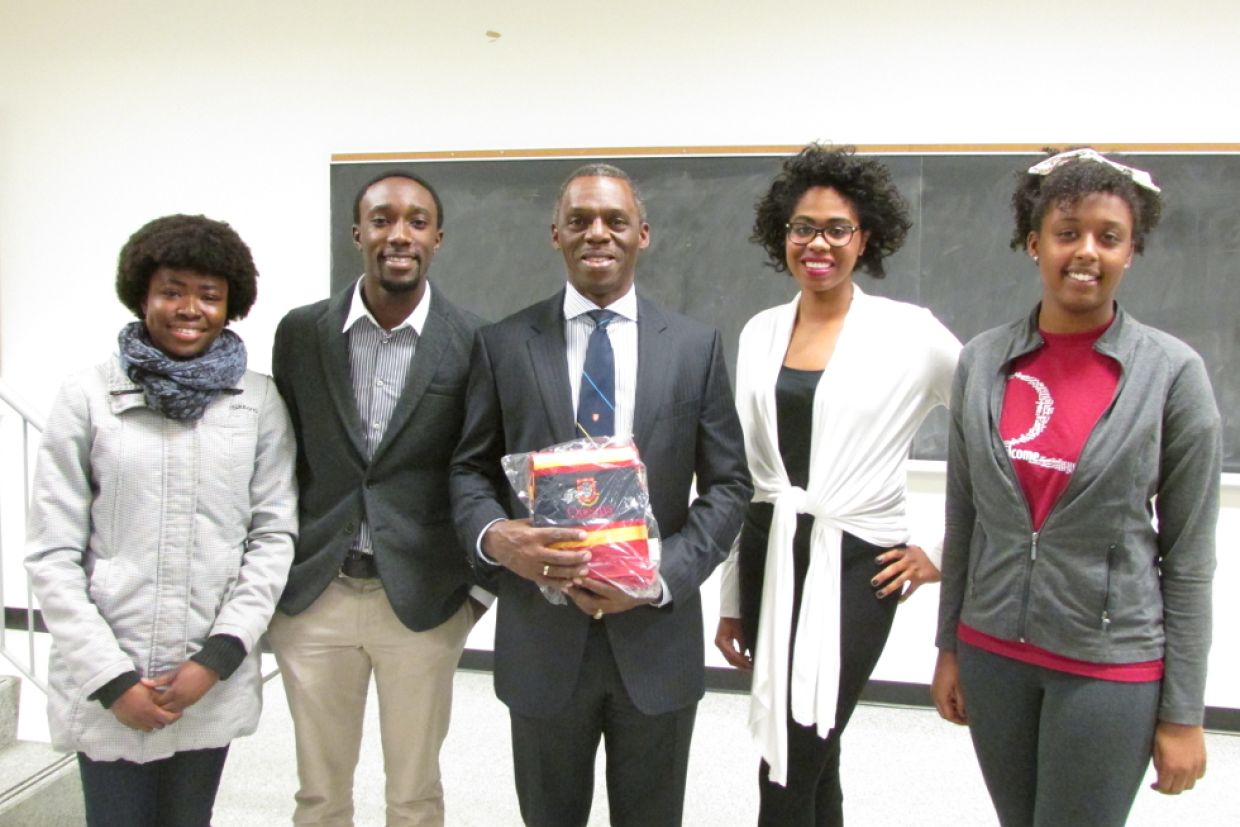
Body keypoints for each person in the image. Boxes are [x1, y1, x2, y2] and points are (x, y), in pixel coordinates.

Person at [450, 163, 751, 827]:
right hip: (541, 638)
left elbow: (729, 484)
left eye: (615, 220)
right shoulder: (502, 345)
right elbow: (468, 471)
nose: (598, 233)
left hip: (656, 639)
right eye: (580, 219)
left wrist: (661, 575)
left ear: (643, 234)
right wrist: (500, 538)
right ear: (554, 233)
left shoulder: (695, 347)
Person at [932, 148, 1221, 826]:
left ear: (1131, 251)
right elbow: (964, 514)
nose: (1086, 250)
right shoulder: (983, 360)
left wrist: (1183, 712)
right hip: (992, 650)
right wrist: (949, 645)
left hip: (1107, 664)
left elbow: (1189, 559)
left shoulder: (1172, 375)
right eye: (1067, 232)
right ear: (1035, 243)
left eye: (1108, 236)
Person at [713, 144, 960, 825]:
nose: (816, 243)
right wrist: (732, 597)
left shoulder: (911, 332)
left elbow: (994, 434)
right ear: (781, 234)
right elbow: (750, 475)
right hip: (771, 553)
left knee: (789, 757)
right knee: (819, 752)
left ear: (865, 237)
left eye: (836, 228)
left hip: (857, 564)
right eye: (802, 227)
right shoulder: (761, 332)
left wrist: (941, 552)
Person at [25, 214, 297, 826]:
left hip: (207, 677)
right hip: (110, 683)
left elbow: (273, 535)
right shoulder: (88, 397)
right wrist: (111, 678)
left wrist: (217, 659)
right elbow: (52, 553)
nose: (189, 308)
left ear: (230, 305)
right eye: (172, 290)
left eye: (209, 294)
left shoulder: (258, 402)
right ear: (143, 294)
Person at [267, 171, 489, 827]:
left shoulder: (474, 340)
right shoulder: (302, 332)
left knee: (414, 795)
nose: (400, 234)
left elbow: (480, 469)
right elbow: (284, 458)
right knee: (319, 795)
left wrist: (474, 595)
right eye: (383, 218)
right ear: (357, 232)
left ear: (438, 238)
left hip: (422, 602)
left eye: (417, 221)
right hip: (316, 597)